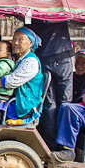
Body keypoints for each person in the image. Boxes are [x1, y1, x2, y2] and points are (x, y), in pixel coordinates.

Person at [28, 20, 74, 150]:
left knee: (49, 105)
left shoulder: (32, 11)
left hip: (44, 60)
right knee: (65, 103)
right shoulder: (60, 7)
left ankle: (50, 144)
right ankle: (65, 145)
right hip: (63, 59)